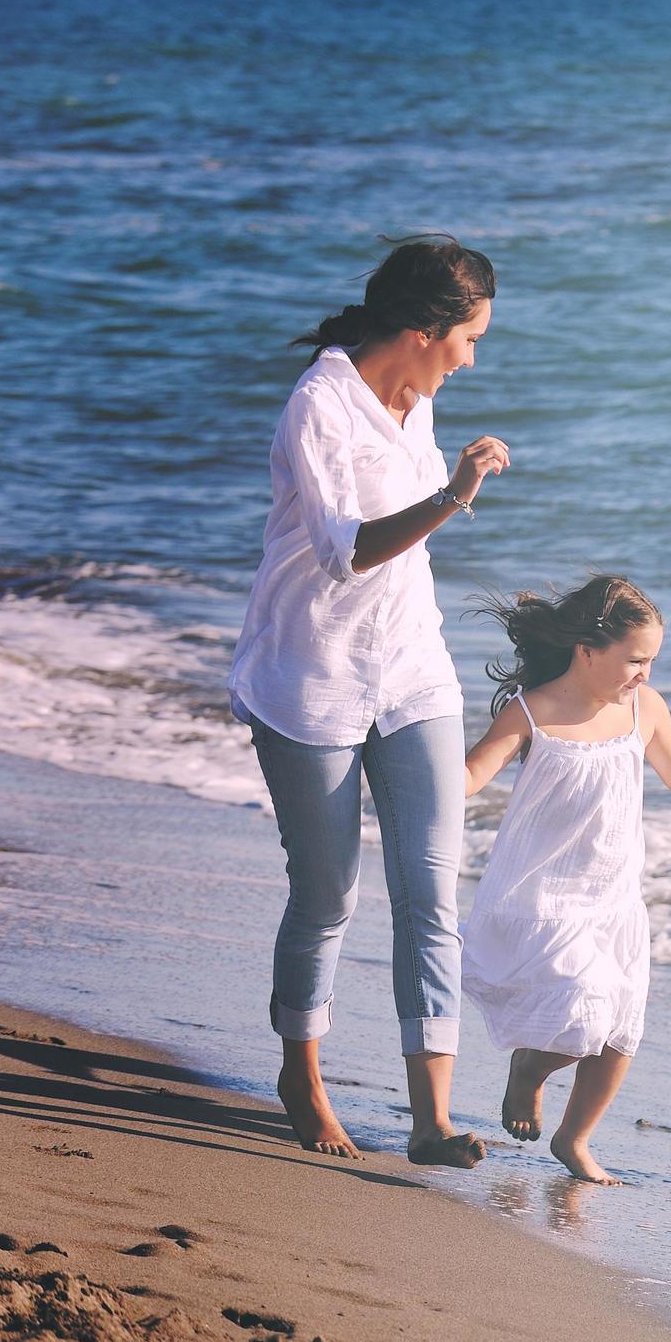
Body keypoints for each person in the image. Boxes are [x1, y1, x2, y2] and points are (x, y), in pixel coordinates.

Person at [231, 236, 507, 1169]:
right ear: (425, 331)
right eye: (468, 337)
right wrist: (453, 497)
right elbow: (347, 548)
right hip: (308, 674)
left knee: (432, 893)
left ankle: (431, 1117)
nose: (473, 357)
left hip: (411, 669)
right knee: (327, 895)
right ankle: (300, 1079)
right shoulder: (320, 403)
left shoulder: (419, 400)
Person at [460, 576, 671, 1183]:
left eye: (652, 661)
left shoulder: (645, 708)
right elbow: (472, 774)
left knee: (620, 1029)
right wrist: (407, 774)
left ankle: (575, 1138)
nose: (644, 673)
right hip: (545, 894)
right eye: (635, 659)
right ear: (587, 649)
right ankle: (530, 1072)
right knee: (584, 1011)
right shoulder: (532, 709)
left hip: (614, 896)